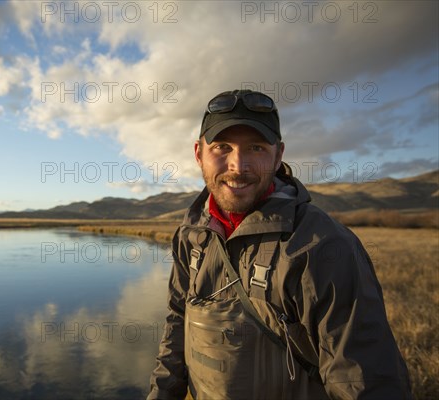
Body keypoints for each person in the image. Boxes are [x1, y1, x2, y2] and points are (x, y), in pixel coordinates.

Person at [147, 90, 412, 399]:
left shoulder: (323, 246)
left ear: (278, 155)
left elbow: (362, 381)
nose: (238, 165)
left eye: (256, 148)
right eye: (222, 147)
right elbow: (178, 324)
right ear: (198, 153)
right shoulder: (190, 235)